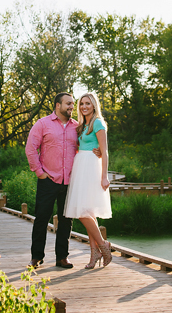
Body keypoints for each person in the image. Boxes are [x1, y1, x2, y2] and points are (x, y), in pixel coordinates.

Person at [25, 92, 79, 269]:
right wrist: (39, 172)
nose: (72, 106)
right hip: (48, 179)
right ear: (58, 105)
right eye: (68, 103)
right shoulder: (42, 124)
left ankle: (62, 257)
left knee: (66, 220)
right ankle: (36, 257)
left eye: (72, 104)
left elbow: (84, 148)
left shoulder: (77, 127)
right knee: (41, 218)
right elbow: (31, 148)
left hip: (69, 181)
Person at [63, 91, 113, 268]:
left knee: (83, 212)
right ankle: (95, 255)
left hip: (91, 167)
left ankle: (103, 246)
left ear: (94, 105)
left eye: (88, 103)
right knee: (88, 212)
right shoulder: (83, 124)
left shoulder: (98, 123)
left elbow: (104, 150)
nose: (84, 106)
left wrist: (104, 176)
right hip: (81, 165)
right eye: (82, 103)